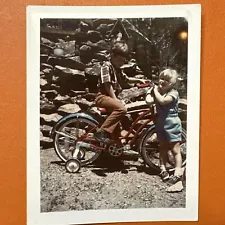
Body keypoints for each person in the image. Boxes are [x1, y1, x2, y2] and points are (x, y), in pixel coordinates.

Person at [94, 40, 146, 144]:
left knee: (116, 129)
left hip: (111, 98)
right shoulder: (106, 66)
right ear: (112, 55)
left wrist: (139, 80)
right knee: (122, 109)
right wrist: (115, 99)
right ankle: (101, 132)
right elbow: (107, 84)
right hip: (103, 97)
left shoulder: (117, 69)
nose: (121, 63)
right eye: (119, 60)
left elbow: (126, 79)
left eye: (123, 60)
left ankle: (112, 149)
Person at [145, 68, 184, 191]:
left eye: (167, 80)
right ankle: (163, 168)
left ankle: (178, 173)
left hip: (172, 123)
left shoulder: (173, 93)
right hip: (160, 123)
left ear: (172, 83)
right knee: (162, 147)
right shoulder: (159, 91)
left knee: (175, 149)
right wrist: (148, 93)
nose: (162, 81)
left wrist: (155, 90)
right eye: (161, 78)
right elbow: (149, 102)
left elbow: (162, 101)